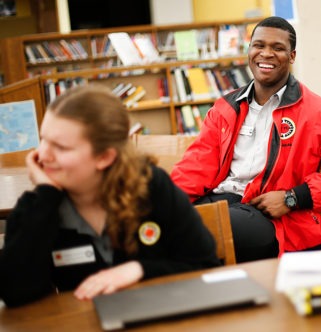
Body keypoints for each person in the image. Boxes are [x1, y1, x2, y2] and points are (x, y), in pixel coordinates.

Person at [171, 16, 321, 262]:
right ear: (249, 50)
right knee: (159, 222)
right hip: (221, 199)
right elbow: (196, 165)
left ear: (292, 56)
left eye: (277, 48)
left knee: (199, 230)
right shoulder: (225, 107)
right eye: (259, 45)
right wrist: (166, 202)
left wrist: (293, 198)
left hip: (267, 215)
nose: (266, 54)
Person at [0, 85, 220, 307]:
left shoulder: (151, 186)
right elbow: (15, 292)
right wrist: (46, 195)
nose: (42, 155)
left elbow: (204, 265)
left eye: (61, 147)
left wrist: (139, 269)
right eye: (43, 140)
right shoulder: (38, 206)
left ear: (104, 157)